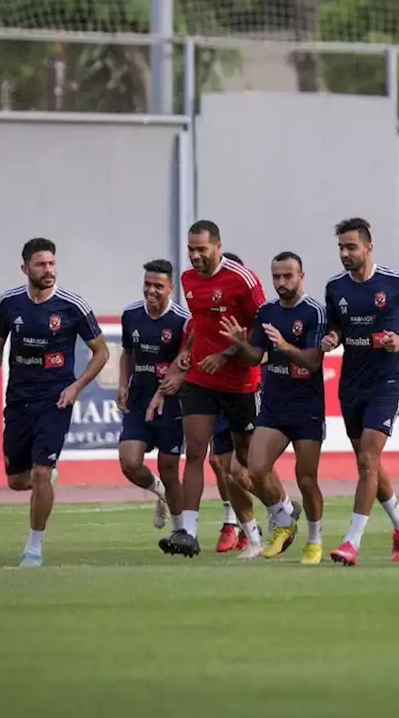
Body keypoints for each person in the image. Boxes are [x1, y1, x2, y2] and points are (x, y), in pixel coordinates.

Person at [150, 222, 289, 559]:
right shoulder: (187, 280)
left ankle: (282, 511)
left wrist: (226, 354)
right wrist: (186, 360)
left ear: (217, 245)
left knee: (246, 462)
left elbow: (261, 326)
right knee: (197, 453)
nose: (195, 256)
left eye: (202, 249)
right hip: (201, 379)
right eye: (191, 249)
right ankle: (188, 532)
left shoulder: (243, 279)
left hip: (240, 381)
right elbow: (199, 324)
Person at [0, 237, 109, 567]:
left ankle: (34, 548)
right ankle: (46, 478)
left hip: (56, 400)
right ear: (25, 269)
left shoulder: (72, 305)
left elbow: (102, 352)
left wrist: (76, 387)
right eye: (40, 265)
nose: (48, 270)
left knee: (39, 472)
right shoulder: (9, 304)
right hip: (18, 399)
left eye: (52, 263)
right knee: (17, 481)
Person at [322, 217, 399, 565]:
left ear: (368, 247)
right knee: (367, 462)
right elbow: (336, 326)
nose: (345, 253)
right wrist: (332, 338)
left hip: (386, 381)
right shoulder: (335, 287)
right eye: (341, 247)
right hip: (351, 382)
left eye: (351, 247)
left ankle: (351, 542)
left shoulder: (395, 282)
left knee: (368, 461)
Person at [220, 252, 325, 563]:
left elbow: (314, 361)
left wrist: (285, 346)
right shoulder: (266, 312)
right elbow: (256, 357)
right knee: (254, 469)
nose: (281, 282)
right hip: (274, 407)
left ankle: (315, 540)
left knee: (306, 479)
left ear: (301, 276)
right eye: (276, 277)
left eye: (287, 276)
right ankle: (283, 522)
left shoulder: (314, 312)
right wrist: (241, 344)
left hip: (307, 408)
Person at [116, 259, 189, 536]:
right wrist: (123, 385)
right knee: (130, 463)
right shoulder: (131, 315)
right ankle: (159, 493)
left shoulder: (183, 321)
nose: (151, 291)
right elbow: (127, 353)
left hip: (172, 405)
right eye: (147, 284)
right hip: (138, 401)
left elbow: (185, 362)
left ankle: (180, 530)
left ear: (170, 287)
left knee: (169, 468)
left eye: (158, 285)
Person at [206, 252, 257, 554]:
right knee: (218, 463)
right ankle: (234, 522)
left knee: (243, 470)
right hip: (216, 394)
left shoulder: (251, 316)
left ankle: (281, 507)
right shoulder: (209, 314)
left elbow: (258, 352)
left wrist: (230, 350)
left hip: (245, 392)